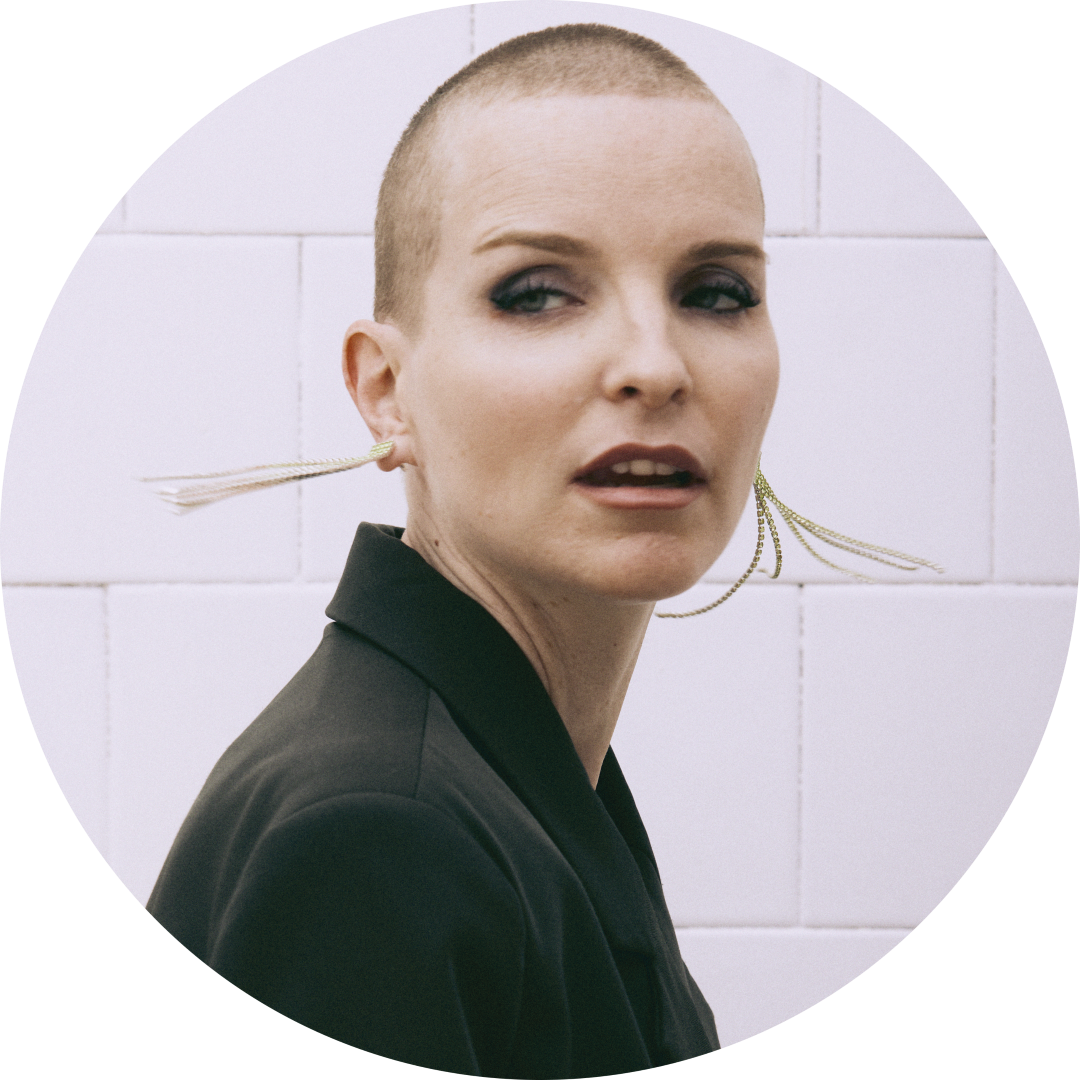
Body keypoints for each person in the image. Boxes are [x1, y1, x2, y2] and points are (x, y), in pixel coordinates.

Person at [146, 23, 778, 1073]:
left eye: (716, 291)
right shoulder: (378, 837)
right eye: (538, 293)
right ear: (385, 390)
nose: (657, 366)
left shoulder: (515, 773)